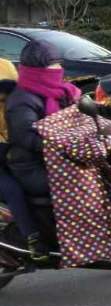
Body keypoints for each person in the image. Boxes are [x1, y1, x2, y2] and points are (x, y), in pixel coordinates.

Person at [6, 40, 81, 201]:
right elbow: (26, 137)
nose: (59, 70)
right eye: (53, 66)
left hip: (59, 159)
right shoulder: (22, 100)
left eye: (59, 65)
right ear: (37, 71)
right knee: (83, 183)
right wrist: (65, 144)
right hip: (32, 166)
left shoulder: (61, 92)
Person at [0, 58, 48, 262]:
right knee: (12, 187)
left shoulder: (6, 66)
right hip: (6, 147)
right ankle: (32, 237)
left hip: (11, 144)